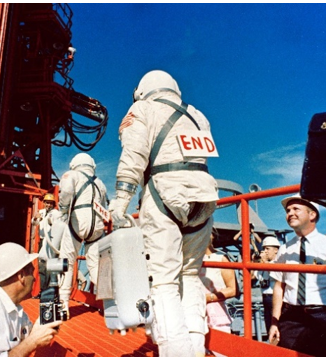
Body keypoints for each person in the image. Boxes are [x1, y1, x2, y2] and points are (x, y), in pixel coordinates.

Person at [108, 70, 218, 356]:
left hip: (165, 194)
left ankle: (176, 354)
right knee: (191, 275)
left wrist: (120, 202)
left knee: (164, 281)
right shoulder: (197, 116)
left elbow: (134, 156)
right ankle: (195, 349)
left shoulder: (142, 109)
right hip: (204, 195)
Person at [268, 195, 326, 357]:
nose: (290, 213)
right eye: (288, 210)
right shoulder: (284, 250)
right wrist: (275, 322)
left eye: (296, 209)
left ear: (312, 215)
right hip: (291, 317)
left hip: (324, 315)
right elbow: (279, 286)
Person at [56, 152, 109, 315]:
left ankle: (63, 305)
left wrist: (64, 211)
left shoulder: (71, 175)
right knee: (95, 265)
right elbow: (105, 203)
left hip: (78, 221)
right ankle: (110, 304)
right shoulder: (100, 183)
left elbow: (65, 192)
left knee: (67, 261)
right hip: (97, 226)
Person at [200, 245, 237, 334]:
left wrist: (208, 298)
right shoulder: (187, 260)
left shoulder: (220, 259)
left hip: (216, 315)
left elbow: (233, 289)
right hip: (193, 314)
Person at [259, 236, 281, 333]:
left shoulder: (279, 262)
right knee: (269, 326)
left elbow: (275, 274)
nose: (265, 251)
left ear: (276, 250)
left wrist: (264, 262)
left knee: (277, 326)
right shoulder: (265, 263)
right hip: (265, 297)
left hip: (275, 297)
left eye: (267, 248)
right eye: (264, 248)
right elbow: (252, 277)